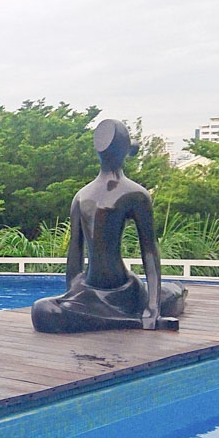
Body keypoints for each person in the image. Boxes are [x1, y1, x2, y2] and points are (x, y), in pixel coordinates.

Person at [31, 119, 186, 333]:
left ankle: (144, 308)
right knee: (43, 310)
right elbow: (74, 254)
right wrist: (72, 293)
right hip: (88, 290)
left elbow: (150, 251)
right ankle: (128, 321)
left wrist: (152, 307)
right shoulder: (82, 196)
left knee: (171, 295)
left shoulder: (135, 194)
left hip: (123, 290)